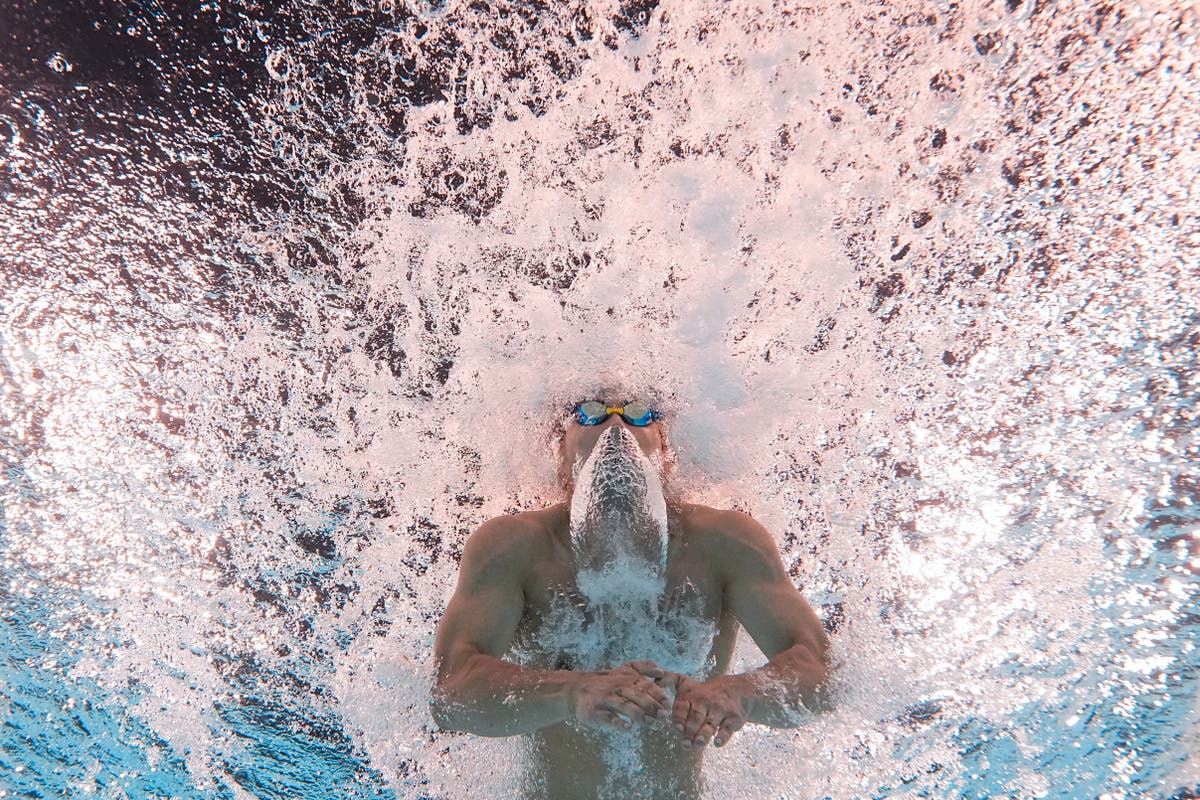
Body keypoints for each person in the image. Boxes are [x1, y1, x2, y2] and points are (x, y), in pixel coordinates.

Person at [430, 396, 833, 799]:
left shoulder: (726, 545)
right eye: (591, 409)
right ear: (561, 459)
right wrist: (570, 693)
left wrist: (741, 695)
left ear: (667, 457)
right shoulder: (515, 549)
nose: (616, 423)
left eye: (639, 410)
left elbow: (823, 672)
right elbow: (451, 693)